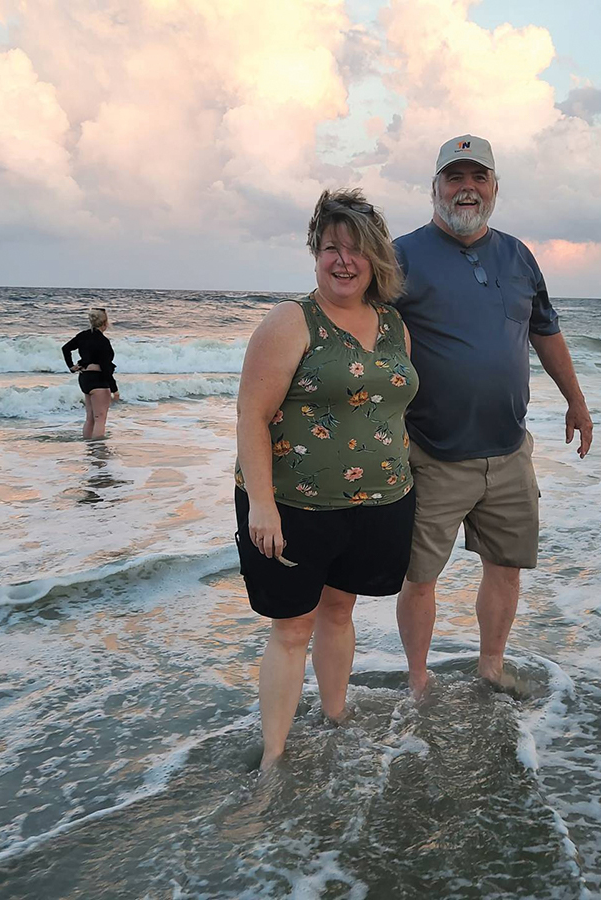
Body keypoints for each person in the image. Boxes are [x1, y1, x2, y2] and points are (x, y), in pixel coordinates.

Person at [393, 134, 593, 696]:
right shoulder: (402, 253)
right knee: (421, 576)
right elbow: (368, 335)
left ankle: (491, 665)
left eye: (477, 178)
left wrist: (576, 402)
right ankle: (417, 678)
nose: (466, 189)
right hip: (431, 450)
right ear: (434, 188)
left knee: (506, 568)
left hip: (509, 450)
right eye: (454, 178)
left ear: (495, 188)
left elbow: (545, 330)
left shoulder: (519, 255)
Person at [234, 188, 417, 770]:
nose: (343, 261)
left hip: (378, 502)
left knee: (341, 611)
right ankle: (273, 758)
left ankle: (336, 718)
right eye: (330, 248)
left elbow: (393, 406)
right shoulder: (291, 321)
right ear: (315, 254)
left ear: (376, 260)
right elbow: (251, 417)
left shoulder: (393, 326)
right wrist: (262, 504)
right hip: (293, 507)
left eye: (355, 250)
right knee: (292, 628)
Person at [62, 307, 120, 440]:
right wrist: (114, 389)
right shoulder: (103, 342)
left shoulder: (83, 335)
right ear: (105, 323)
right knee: (100, 418)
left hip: (85, 379)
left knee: (90, 418)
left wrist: (71, 367)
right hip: (98, 380)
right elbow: (105, 368)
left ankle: (89, 448)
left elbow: (65, 348)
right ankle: (97, 453)